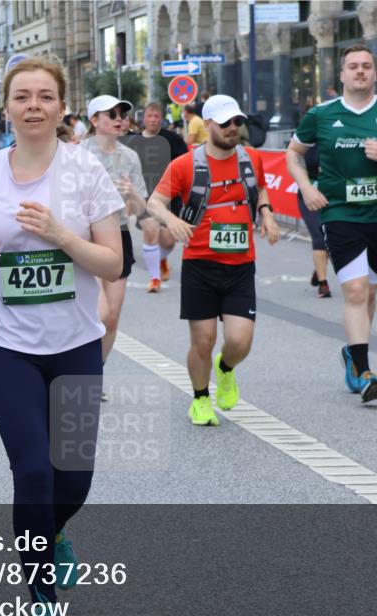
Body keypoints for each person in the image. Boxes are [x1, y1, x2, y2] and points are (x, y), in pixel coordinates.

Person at [0, 57, 124, 616]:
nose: (34, 105)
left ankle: (54, 533)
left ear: (61, 106)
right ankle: (42, 605)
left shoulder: (85, 171)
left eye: (46, 96)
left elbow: (112, 264)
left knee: (74, 479)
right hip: (6, 348)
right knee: (33, 470)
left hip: (74, 346)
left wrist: (62, 237)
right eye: (23, 96)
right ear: (7, 106)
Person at [286, 44, 377, 402]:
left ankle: (352, 352)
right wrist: (306, 187)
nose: (360, 71)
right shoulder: (321, 114)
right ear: (343, 75)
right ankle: (364, 371)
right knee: (354, 291)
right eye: (353, 66)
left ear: (375, 74)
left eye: (367, 66)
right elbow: (293, 152)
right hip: (339, 214)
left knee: (370, 293)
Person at [147, 95, 281, 426]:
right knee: (202, 340)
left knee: (239, 341)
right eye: (225, 123)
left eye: (238, 122)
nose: (233, 128)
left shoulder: (250, 160)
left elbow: (261, 189)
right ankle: (200, 399)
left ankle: (225, 369)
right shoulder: (185, 165)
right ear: (207, 126)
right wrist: (172, 220)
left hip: (240, 266)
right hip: (200, 264)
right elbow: (154, 203)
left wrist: (266, 213)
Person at [80, 95, 147, 376]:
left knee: (112, 318)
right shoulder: (77, 154)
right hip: (86, 236)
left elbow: (140, 208)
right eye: (112, 113)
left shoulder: (129, 157)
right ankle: (79, 366)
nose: (120, 118)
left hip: (119, 235)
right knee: (99, 313)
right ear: (94, 120)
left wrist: (130, 193)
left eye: (123, 113)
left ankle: (97, 371)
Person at [123, 100, 188, 290]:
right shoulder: (133, 141)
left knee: (168, 239)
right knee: (151, 233)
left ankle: (161, 259)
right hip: (144, 195)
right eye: (149, 116)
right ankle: (155, 278)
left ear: (162, 118)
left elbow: (185, 165)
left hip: (169, 196)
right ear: (144, 118)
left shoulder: (173, 140)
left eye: (156, 116)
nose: (153, 120)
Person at [297, 142, 330, 298]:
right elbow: (295, 165)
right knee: (319, 235)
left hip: (331, 196)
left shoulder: (332, 137)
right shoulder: (303, 143)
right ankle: (323, 284)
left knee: (330, 236)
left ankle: (319, 270)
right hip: (309, 197)